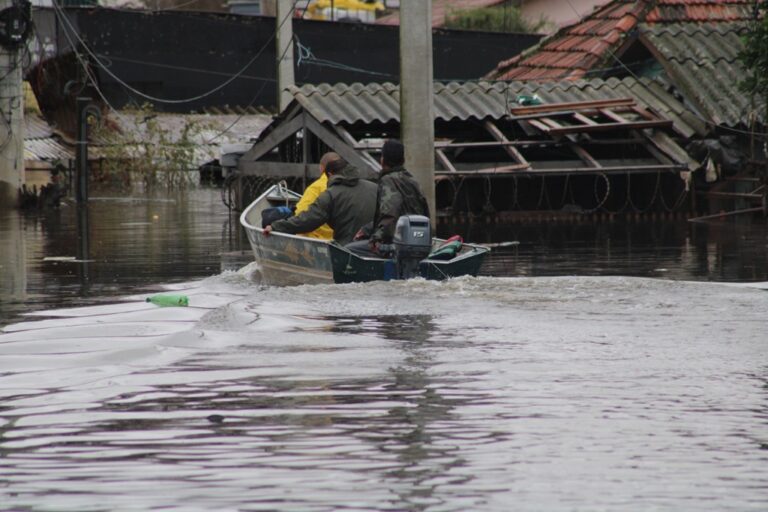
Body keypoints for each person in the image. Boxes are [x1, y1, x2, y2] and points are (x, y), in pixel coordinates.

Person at [264, 158, 377, 245]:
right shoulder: (375, 188)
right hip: (376, 245)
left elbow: (307, 221)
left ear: (330, 175)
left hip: (347, 248)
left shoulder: (330, 195)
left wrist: (276, 226)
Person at [346, 139, 429, 256]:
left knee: (348, 250)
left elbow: (390, 214)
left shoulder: (388, 180)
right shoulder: (412, 181)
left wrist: (376, 239)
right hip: (417, 241)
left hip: (395, 244)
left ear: (383, 160)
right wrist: (367, 229)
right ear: (403, 160)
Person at [293, 152, 339, 240]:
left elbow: (300, 216)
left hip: (317, 239)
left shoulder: (316, 188)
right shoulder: (348, 187)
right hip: (339, 239)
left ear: (321, 168)